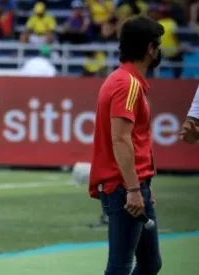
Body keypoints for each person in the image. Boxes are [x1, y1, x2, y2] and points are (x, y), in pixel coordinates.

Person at [89, 15, 164, 275]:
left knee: (150, 263)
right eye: (158, 45)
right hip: (123, 187)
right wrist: (133, 188)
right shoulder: (128, 84)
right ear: (149, 49)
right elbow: (120, 138)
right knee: (121, 265)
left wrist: (142, 185)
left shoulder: (122, 80)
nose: (159, 51)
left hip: (132, 185)